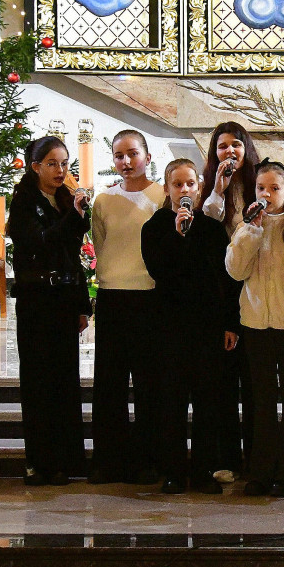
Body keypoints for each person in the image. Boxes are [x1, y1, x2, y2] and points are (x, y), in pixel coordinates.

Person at [142, 158, 241, 494]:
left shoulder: (212, 229)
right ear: (167, 188)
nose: (184, 190)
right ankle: (172, 470)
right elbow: (160, 271)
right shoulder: (154, 227)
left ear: (199, 187)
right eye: (177, 184)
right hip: (169, 325)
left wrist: (230, 324)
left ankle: (202, 470)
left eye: (190, 184)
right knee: (170, 401)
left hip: (206, 326)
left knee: (206, 402)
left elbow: (225, 280)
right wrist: (177, 236)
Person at [225, 159, 284, 497]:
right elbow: (236, 271)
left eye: (274, 188)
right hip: (256, 325)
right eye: (261, 189)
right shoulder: (247, 225)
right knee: (263, 403)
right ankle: (260, 472)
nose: (267, 194)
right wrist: (250, 229)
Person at [8, 136, 91, 486]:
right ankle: (38, 461)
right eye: (53, 164)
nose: (61, 171)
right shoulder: (25, 201)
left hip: (63, 298)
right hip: (36, 300)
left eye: (65, 164)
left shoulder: (63, 199)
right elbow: (40, 241)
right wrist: (73, 217)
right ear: (36, 166)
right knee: (39, 382)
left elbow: (74, 255)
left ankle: (67, 460)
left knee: (65, 381)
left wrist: (82, 305)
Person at [89, 130, 166, 484]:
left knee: (150, 384)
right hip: (113, 296)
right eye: (119, 155)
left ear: (147, 157)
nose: (126, 161)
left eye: (133, 154)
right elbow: (102, 246)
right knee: (110, 384)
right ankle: (109, 462)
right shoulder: (103, 201)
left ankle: (149, 459)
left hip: (149, 297)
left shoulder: (164, 195)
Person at [200, 122, 261, 482]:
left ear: (246, 150)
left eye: (236, 145)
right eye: (222, 147)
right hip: (220, 294)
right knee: (223, 383)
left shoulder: (261, 184)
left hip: (255, 289)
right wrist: (219, 190)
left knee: (254, 383)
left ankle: (256, 457)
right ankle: (226, 457)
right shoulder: (208, 189)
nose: (229, 152)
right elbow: (207, 229)